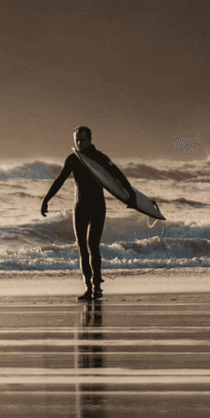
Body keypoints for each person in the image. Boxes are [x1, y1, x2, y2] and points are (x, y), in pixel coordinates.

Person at [40, 126, 135, 301]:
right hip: (79, 207)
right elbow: (60, 180)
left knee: (93, 246)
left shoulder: (100, 158)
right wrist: (46, 199)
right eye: (76, 140)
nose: (79, 143)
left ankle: (97, 287)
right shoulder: (72, 159)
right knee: (82, 248)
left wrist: (131, 196)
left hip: (98, 206)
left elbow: (118, 176)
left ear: (90, 139)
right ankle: (88, 288)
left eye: (82, 140)